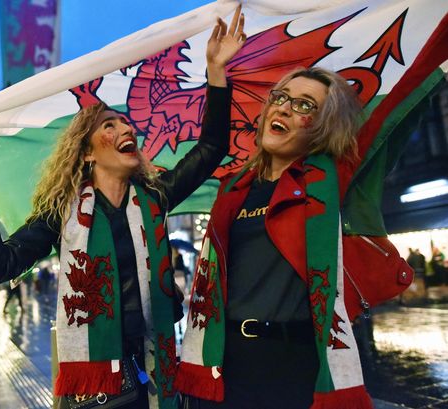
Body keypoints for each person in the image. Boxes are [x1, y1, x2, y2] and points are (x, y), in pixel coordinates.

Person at [0, 8, 246, 408]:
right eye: (109, 125)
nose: (126, 130)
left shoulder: (154, 198)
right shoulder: (62, 212)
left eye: (127, 126)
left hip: (157, 371)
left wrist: (215, 71)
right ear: (87, 153)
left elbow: (212, 148)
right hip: (96, 389)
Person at [176, 61, 414, 407]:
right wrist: (214, 68)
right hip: (226, 363)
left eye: (304, 105)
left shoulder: (334, 182)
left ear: (324, 125)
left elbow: (402, 108)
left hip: (295, 364)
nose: (284, 108)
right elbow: (211, 142)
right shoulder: (234, 189)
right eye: (281, 97)